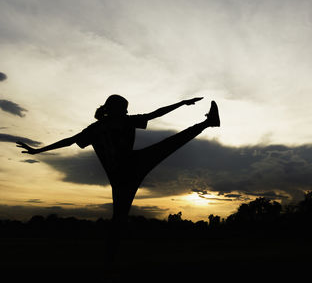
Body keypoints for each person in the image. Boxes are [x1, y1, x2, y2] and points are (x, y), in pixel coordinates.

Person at [16, 94, 220, 262]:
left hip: (125, 172)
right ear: (114, 108)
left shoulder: (97, 129)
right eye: (124, 108)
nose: (127, 112)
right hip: (128, 171)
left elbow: (69, 141)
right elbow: (154, 114)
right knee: (168, 145)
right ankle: (110, 261)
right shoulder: (109, 126)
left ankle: (110, 261)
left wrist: (37, 151)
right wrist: (37, 150)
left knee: (119, 219)